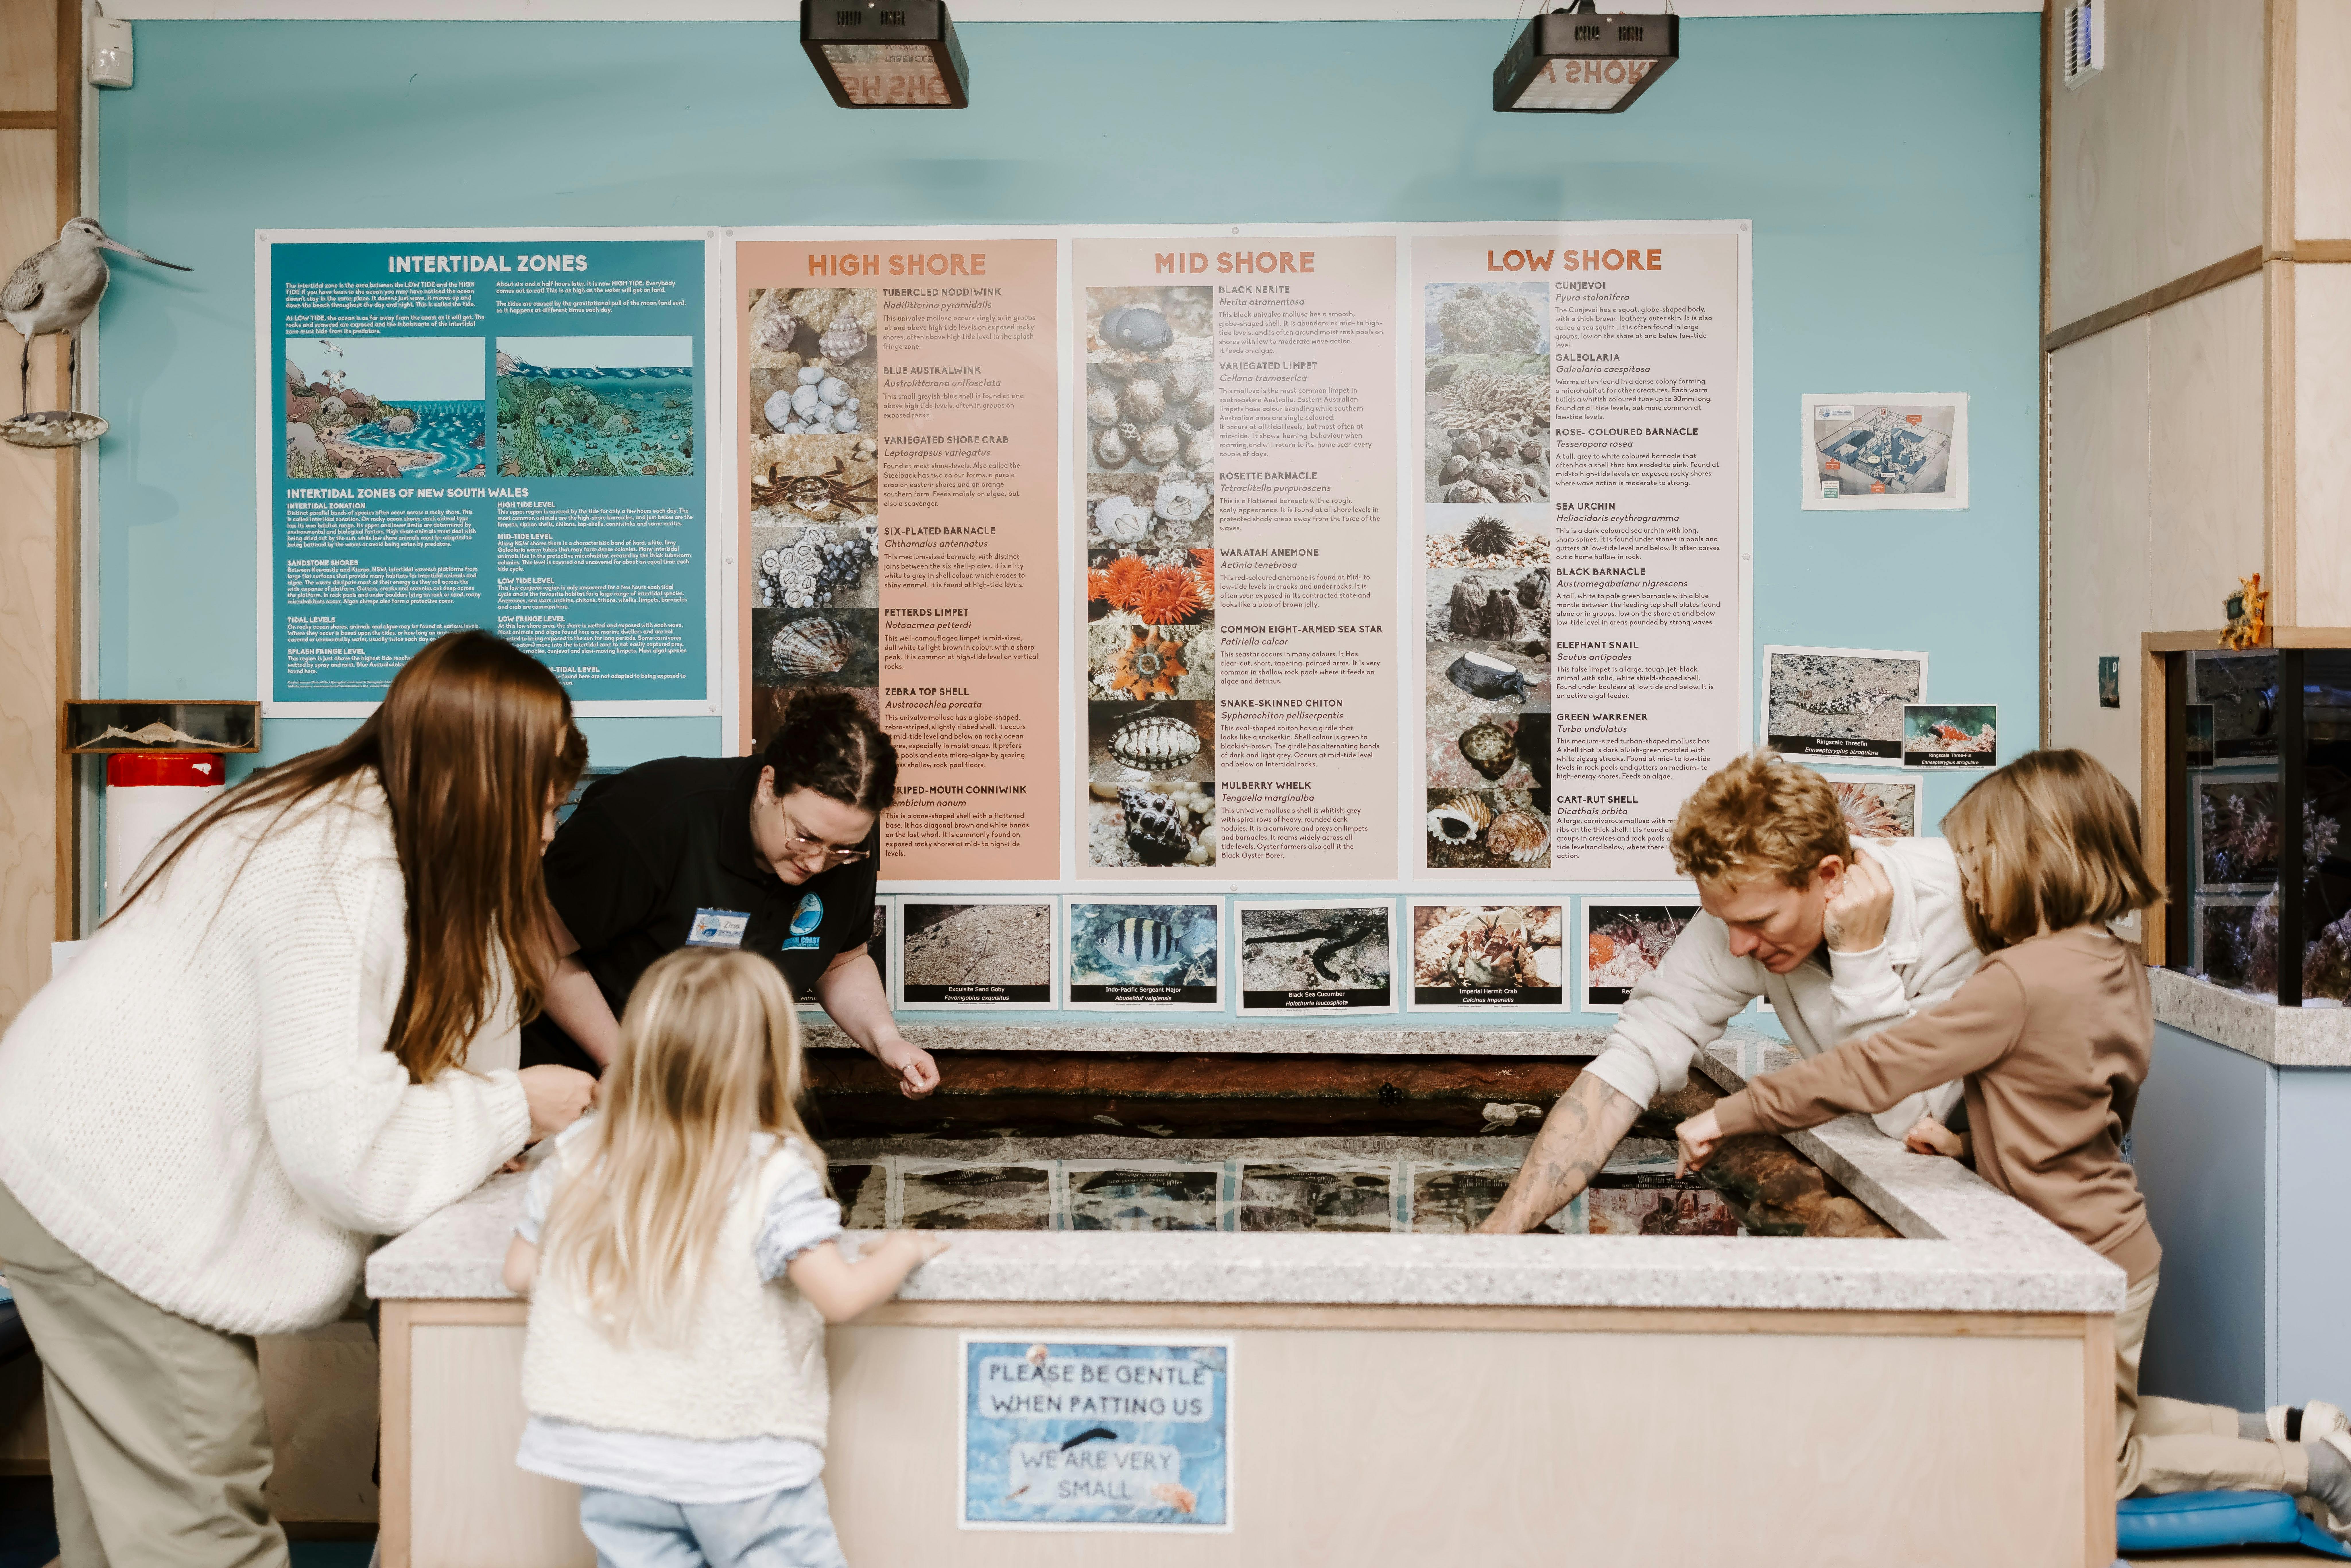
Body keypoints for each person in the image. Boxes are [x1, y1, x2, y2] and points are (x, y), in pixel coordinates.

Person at [0, 630, 603, 1568]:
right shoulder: (345, 869)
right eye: (541, 803)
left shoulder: (337, 815)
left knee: (116, 1540)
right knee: (201, 1521)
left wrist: (485, 1118)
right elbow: (342, 1147)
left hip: (69, 1161)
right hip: (107, 1188)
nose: (547, 833)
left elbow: (349, 1061)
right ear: (479, 779)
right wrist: (512, 1107)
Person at [1675, 750, 2351, 1534]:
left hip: (2080, 1252)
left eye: (1978, 863)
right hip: (2116, 1238)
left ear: (2037, 862)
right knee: (2103, 1409)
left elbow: (1879, 1068)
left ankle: (2313, 1472)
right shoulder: (2117, 964)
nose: (1966, 884)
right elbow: (2094, 1106)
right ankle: (2284, 1427)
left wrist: (1739, 1111)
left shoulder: (2016, 980)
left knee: (2104, 1461)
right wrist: (1974, 1148)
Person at [504, 946, 949, 1568]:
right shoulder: (772, 1169)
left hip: (614, 1456)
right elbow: (839, 1295)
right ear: (767, 1059)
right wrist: (903, 1247)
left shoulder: (580, 1151)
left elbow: (522, 1272)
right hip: (742, 1460)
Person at [1479, 750, 1980, 1234]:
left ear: (1829, 876)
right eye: (1725, 922)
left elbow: (1911, 1119)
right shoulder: (1743, 911)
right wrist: (1500, 1233)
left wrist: (1860, 957)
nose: (1738, 947)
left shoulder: (1960, 906)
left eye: (1759, 922)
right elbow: (1632, 1060)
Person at [526, 688, 939, 1100]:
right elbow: (537, 946)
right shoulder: (647, 817)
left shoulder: (845, 844)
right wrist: (618, 1061)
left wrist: (887, 1041)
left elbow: (842, 960)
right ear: (768, 785)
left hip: (707, 1088)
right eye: (804, 838)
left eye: (841, 849)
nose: (817, 863)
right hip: (574, 1078)